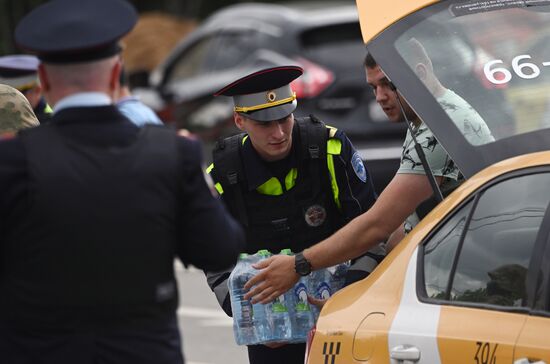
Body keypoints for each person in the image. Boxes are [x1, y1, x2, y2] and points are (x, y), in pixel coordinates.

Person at [0, 1, 245, 363]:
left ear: (45, 82)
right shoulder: (172, 155)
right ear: (117, 75)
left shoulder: (12, 161)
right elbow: (220, 249)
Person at [243, 41, 494, 305]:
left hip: (459, 286)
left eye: (388, 84)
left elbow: (377, 224)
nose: (380, 97)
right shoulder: (429, 115)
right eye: (373, 87)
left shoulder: (441, 127)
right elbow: (405, 220)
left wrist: (298, 264)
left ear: (419, 73)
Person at [205, 65, 383, 364]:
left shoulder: (331, 148)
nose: (278, 133)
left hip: (342, 315)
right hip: (270, 329)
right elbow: (215, 260)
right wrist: (246, 314)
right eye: (264, 124)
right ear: (240, 121)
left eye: (284, 118)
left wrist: (345, 299)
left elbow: (374, 233)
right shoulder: (223, 174)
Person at [0, 54, 53, 123]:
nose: (7, 98)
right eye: (2, 92)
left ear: (37, 90)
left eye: (15, 93)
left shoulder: (54, 122)